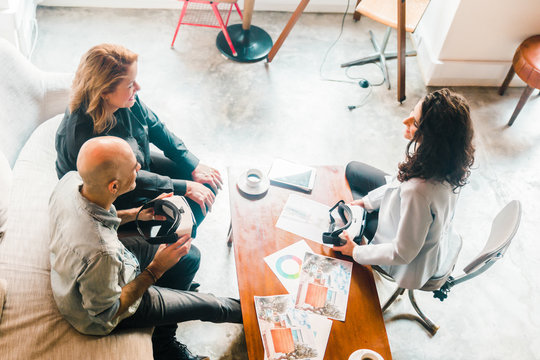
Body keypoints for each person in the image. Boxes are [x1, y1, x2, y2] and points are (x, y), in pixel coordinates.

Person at [49, 136, 242, 360]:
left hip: (97, 268)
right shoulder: (102, 253)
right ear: (114, 186)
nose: (140, 167)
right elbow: (107, 311)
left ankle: (162, 337)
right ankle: (263, 315)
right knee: (212, 306)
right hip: (99, 312)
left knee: (189, 256)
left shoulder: (71, 181)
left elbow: (96, 217)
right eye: (134, 167)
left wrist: (138, 212)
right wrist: (156, 269)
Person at [55, 43, 221, 225]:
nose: (138, 87)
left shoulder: (126, 99)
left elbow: (155, 126)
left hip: (138, 166)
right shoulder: (82, 137)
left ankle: (182, 232)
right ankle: (172, 241)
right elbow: (125, 179)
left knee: (206, 185)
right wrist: (184, 187)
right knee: (187, 206)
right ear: (104, 92)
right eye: (130, 84)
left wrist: (191, 162)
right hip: (117, 194)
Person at [334, 88, 475, 290]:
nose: (405, 121)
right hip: (417, 218)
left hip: (409, 258)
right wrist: (367, 202)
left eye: (415, 123)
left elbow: (403, 252)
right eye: (412, 112)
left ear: (433, 139)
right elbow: (397, 183)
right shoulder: (448, 158)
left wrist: (355, 252)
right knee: (354, 171)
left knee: (344, 230)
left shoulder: (419, 191)